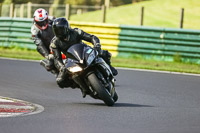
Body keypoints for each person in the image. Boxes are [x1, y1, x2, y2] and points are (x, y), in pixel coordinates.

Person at [50, 17, 118, 92]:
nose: (59, 32)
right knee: (60, 81)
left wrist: (97, 45)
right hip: (71, 59)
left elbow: (92, 37)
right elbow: (57, 59)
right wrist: (61, 67)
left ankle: (109, 68)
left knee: (104, 53)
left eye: (60, 29)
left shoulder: (76, 32)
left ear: (66, 28)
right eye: (57, 30)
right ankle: (81, 86)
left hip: (85, 51)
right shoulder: (55, 43)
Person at [31, 8, 58, 75]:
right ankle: (56, 72)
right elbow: (39, 44)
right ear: (35, 21)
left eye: (44, 21)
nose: (42, 24)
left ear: (47, 18)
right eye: (40, 23)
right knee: (49, 65)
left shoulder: (53, 20)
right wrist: (48, 55)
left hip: (59, 41)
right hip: (48, 47)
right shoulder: (34, 30)